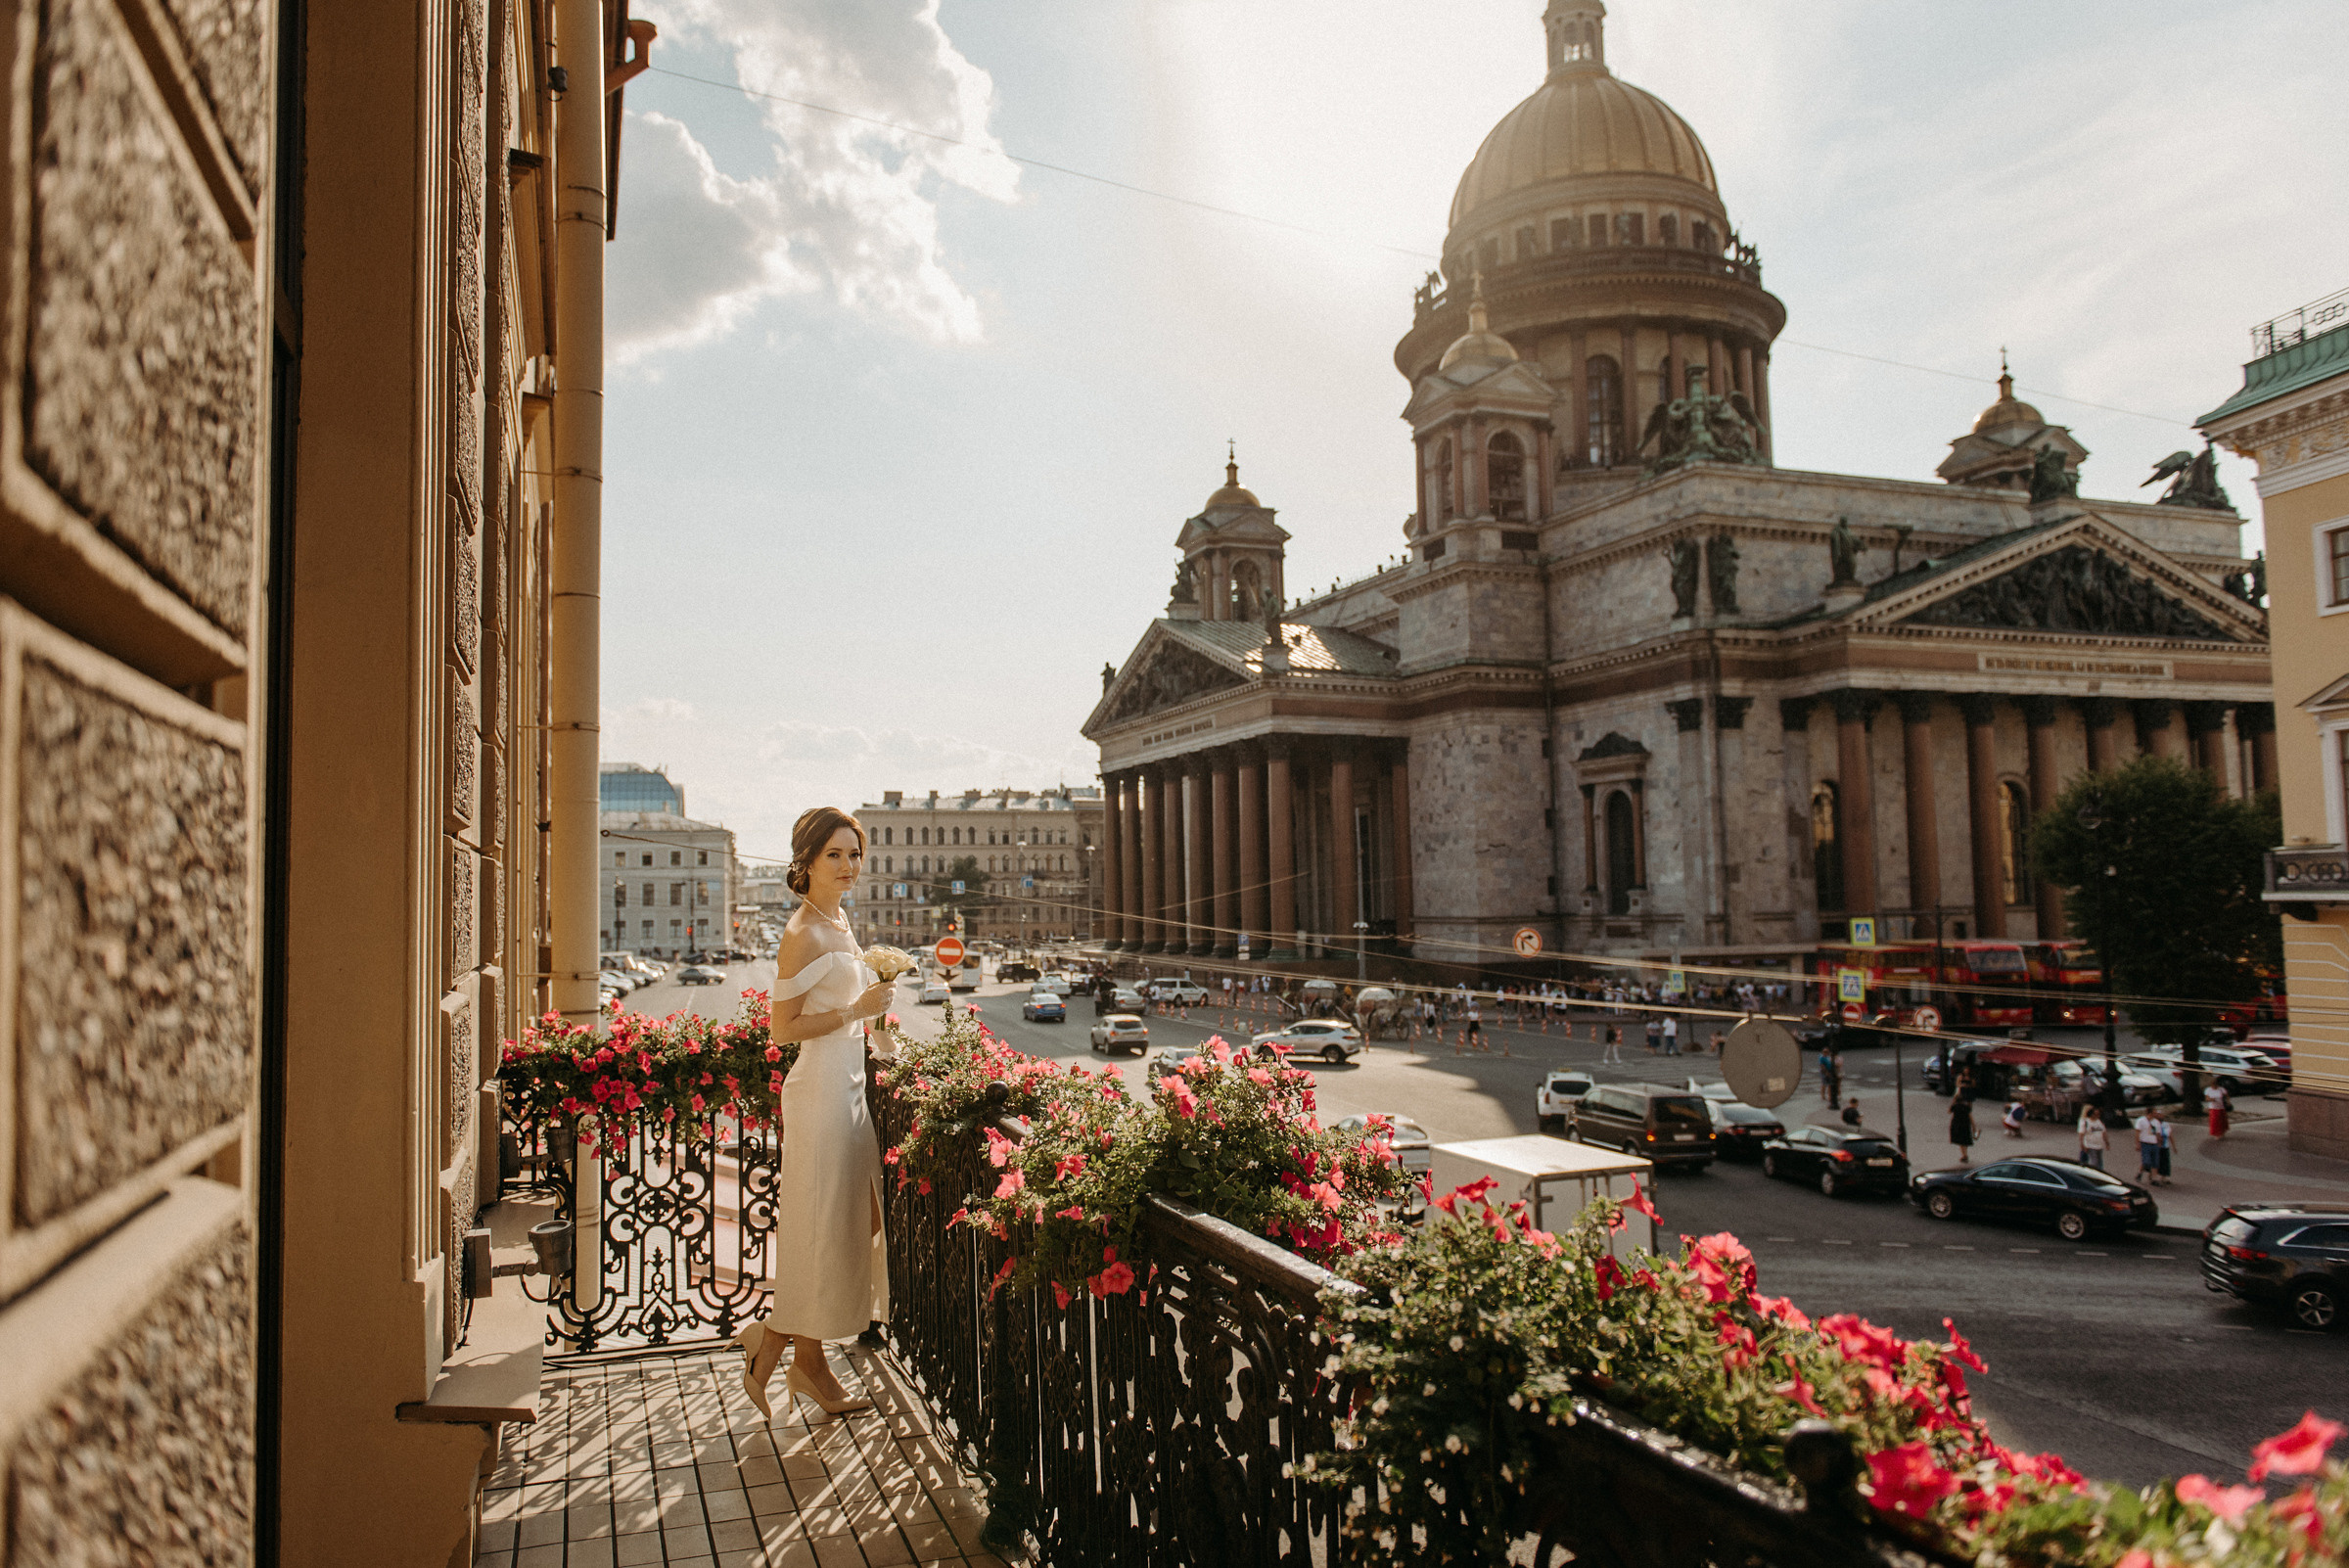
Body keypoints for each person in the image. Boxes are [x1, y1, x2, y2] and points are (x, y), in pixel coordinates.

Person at [739, 807, 898, 1425]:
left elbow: (851, 1007)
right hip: (820, 1094)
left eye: (855, 854)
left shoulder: (840, 921)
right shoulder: (803, 931)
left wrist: (876, 1021)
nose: (848, 866)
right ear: (805, 861)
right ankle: (787, 1347)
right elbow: (782, 1030)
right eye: (835, 854)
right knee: (825, 1225)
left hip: (850, 1089)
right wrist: (856, 1009)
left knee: (847, 1224)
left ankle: (795, 1353)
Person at [2132, 1107, 2162, 1184]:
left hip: (2154, 1143)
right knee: (2146, 1161)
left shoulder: (2156, 1122)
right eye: (2155, 1112)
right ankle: (2140, 1173)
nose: (2156, 1113)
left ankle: (2153, 1178)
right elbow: (2137, 1132)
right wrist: (2137, 1144)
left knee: (2155, 1162)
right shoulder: (2141, 1120)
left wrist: (2159, 1142)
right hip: (2145, 1143)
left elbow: (2158, 1133)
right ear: (2150, 1113)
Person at [2076, 1103, 2108, 1170]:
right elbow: (2081, 1134)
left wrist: (2107, 1142)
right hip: (2090, 1145)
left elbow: (2104, 1132)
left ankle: (2100, 1172)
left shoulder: (2099, 1121)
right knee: (2094, 1161)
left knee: (2099, 1160)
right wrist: (2082, 1144)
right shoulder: (2084, 1121)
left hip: (2099, 1145)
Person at [1949, 1095, 1977, 1165]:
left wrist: (1953, 1103)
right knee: (1965, 1140)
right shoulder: (1967, 1107)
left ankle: (1964, 1155)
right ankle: (1965, 1154)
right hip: (1965, 1125)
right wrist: (1974, 1127)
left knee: (1960, 1141)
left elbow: (1949, 1111)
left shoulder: (1955, 1106)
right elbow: (1971, 1117)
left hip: (1957, 1125)